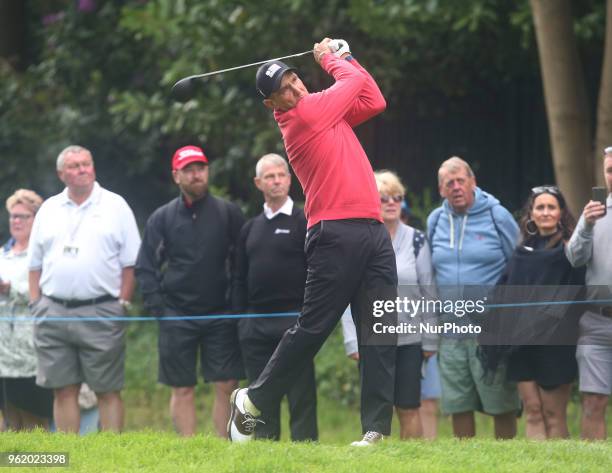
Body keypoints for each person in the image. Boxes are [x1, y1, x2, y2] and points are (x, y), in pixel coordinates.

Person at [228, 37, 398, 447]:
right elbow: (354, 82)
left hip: (373, 230)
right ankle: (254, 399)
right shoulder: (303, 117)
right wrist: (333, 58)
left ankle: (374, 429)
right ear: (273, 104)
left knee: (380, 329)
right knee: (314, 328)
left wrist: (347, 59)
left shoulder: (325, 111)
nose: (296, 88)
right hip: (333, 233)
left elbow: (374, 100)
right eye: (284, 89)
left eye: (295, 79)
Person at [27, 145, 141, 433]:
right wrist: (36, 304)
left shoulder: (115, 206)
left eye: (86, 164)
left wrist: (122, 304)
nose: (82, 170)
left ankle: (113, 454)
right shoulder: (49, 209)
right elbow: (34, 264)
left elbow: (131, 263)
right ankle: (69, 455)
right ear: (61, 173)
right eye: (75, 166)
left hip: (102, 309)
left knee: (108, 389)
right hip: (52, 310)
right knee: (63, 389)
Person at [135, 145, 245, 437]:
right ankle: (189, 449)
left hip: (221, 314)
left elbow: (241, 264)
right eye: (189, 170)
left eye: (201, 168)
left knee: (226, 384)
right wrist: (160, 310)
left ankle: (222, 449)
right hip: (176, 315)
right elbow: (146, 267)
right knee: (182, 387)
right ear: (176, 176)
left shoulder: (228, 213)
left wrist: (236, 305)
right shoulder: (162, 217)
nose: (196, 175)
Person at [479, 185, 584, 439]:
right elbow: (504, 292)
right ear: (531, 214)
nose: (545, 212)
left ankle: (559, 465)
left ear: (561, 213)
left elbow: (577, 295)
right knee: (533, 410)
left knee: (552, 413)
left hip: (556, 344)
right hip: (522, 344)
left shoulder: (571, 252)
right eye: (540, 207)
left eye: (551, 207)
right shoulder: (520, 253)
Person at [427, 156, 520, 439]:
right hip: (451, 331)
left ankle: (507, 463)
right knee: (458, 404)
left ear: (473, 182)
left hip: (489, 331)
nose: (456, 187)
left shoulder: (497, 215)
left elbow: (517, 265)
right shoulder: (435, 220)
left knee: (500, 404)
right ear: (441, 190)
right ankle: (465, 463)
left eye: (460, 181)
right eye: (448, 183)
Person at [341, 170, 438, 439]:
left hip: (409, 340)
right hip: (371, 339)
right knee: (375, 411)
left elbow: (428, 292)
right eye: (384, 198)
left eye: (397, 197)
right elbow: (348, 295)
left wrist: (430, 340)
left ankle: (411, 464)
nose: (392, 203)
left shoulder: (417, 240)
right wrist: (352, 340)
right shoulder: (357, 242)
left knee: (408, 408)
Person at [232, 153, 318, 441]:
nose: (277, 180)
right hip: (255, 324)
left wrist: (310, 317)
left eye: (281, 175)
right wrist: (242, 320)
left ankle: (306, 450)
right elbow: (239, 278)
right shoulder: (250, 228)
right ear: (258, 183)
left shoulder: (305, 220)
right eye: (270, 176)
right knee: (261, 392)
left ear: (290, 179)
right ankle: (267, 448)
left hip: (295, 322)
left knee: (301, 392)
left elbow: (317, 271)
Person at [566, 146, 612, 440]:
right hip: (597, 322)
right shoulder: (595, 213)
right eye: (610, 170)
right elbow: (574, 257)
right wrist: (585, 224)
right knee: (594, 403)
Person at [0, 189, 53, 430]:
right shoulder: (2, 254)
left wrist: (10, 289)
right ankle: (12, 464)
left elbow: (44, 290)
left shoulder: (44, 254)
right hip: (3, 352)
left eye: (23, 216)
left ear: (37, 219)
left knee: (35, 417)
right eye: (13, 216)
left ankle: (41, 463)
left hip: (33, 349)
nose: (17, 221)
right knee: (9, 418)